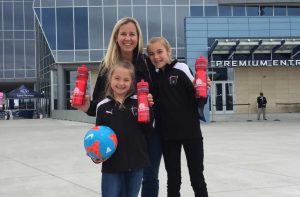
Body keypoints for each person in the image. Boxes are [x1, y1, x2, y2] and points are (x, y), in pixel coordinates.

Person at [71, 17, 162, 197]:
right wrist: (86, 106)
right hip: (120, 134)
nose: (128, 38)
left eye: (132, 34)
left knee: (150, 176)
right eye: (123, 34)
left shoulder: (147, 63)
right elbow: (99, 105)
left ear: (138, 38)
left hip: (150, 128)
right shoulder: (107, 66)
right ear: (116, 37)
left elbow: (165, 85)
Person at [147, 37, 209, 197]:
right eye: (151, 54)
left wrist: (203, 89)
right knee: (173, 179)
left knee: (197, 177)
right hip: (168, 136)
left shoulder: (181, 68)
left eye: (159, 52)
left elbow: (198, 97)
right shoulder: (155, 77)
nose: (156, 57)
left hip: (191, 133)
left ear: (169, 51)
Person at [91, 61, 153, 197]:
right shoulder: (102, 106)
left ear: (132, 82)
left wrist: (149, 109)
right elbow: (98, 136)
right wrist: (96, 156)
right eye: (117, 78)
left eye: (126, 79)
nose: (121, 83)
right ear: (110, 79)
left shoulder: (140, 102)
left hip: (136, 163)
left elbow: (148, 131)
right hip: (112, 165)